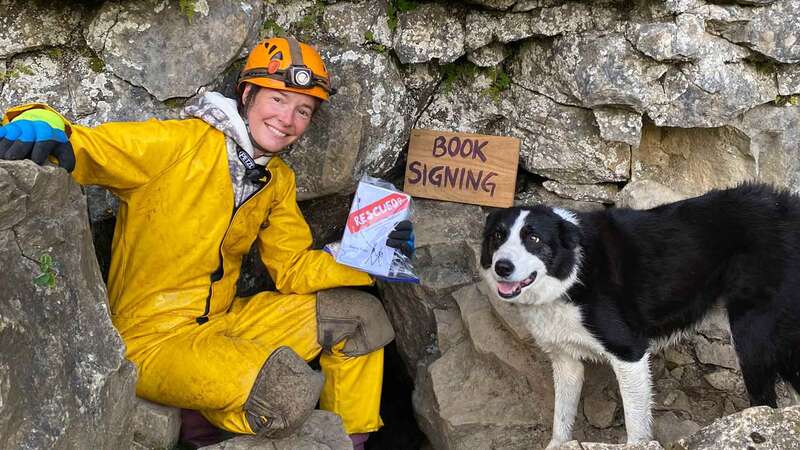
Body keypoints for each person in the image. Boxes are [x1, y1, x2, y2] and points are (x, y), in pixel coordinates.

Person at [0, 36, 414, 450]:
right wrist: (37, 117)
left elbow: (292, 269)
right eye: (278, 100)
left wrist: (369, 256)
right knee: (287, 393)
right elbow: (87, 145)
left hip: (223, 323)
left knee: (361, 315)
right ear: (247, 93)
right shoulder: (176, 145)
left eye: (303, 110)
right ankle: (202, 428)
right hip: (153, 342)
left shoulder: (276, 180)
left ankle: (350, 442)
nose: (288, 119)